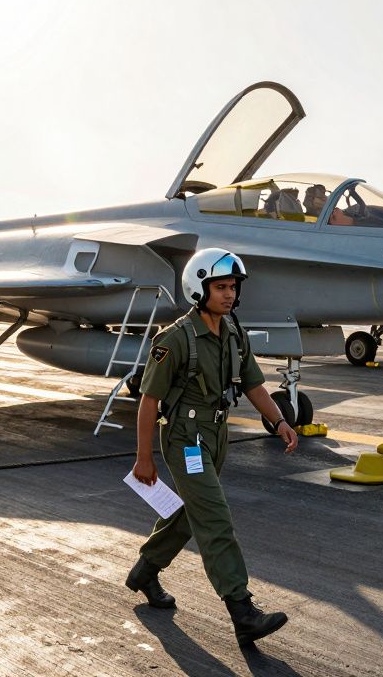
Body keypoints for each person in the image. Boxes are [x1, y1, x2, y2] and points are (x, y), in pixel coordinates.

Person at [126, 248, 299, 647]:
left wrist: (278, 420)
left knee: (193, 514)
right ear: (198, 289)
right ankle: (242, 611)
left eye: (233, 287)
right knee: (215, 518)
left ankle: (145, 571)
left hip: (216, 437)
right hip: (185, 438)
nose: (229, 294)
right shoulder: (175, 338)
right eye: (221, 287)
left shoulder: (233, 332)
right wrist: (144, 456)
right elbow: (149, 400)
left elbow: (253, 384)